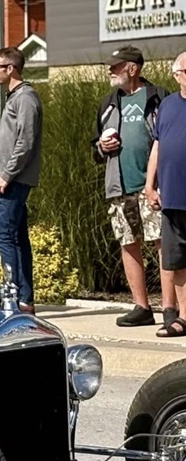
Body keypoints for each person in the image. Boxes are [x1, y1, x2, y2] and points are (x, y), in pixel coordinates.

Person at [93, 45, 176, 328]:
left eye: (115, 67)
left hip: (152, 185)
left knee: (162, 244)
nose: (110, 71)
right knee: (128, 244)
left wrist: (161, 182)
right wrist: (102, 146)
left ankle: (169, 307)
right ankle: (141, 307)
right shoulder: (108, 102)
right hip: (118, 185)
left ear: (132, 68)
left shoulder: (160, 97)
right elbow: (94, 148)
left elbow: (171, 139)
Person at [0, 46, 42, 315]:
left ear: (11, 68)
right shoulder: (15, 97)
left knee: (4, 236)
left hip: (13, 181)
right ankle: (25, 299)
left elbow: (26, 141)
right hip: (7, 177)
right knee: (18, 238)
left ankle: (14, 297)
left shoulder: (26, 97)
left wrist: (6, 175)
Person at [144, 51, 186, 338]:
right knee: (177, 260)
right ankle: (184, 317)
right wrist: (150, 185)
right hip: (172, 197)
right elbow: (157, 147)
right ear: (177, 75)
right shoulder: (168, 106)